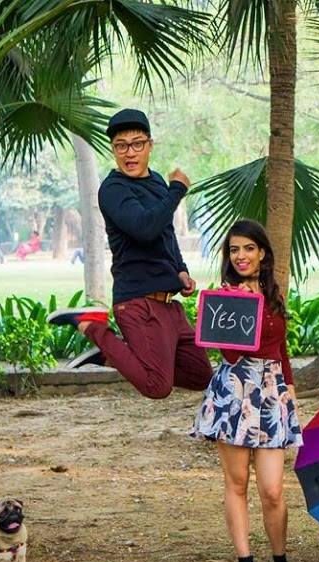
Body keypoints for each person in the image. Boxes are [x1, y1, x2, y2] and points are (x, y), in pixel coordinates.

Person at [47, 108, 213, 396]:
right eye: (121, 146)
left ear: (150, 145)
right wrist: (176, 190)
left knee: (200, 375)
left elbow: (165, 232)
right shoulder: (113, 189)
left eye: (137, 144)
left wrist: (181, 269)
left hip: (169, 305)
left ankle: (111, 355)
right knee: (157, 386)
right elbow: (144, 228)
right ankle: (91, 327)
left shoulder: (156, 181)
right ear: (113, 150)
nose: (130, 153)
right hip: (138, 303)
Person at [189, 219, 302, 562]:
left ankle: (280, 560)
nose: (241, 256)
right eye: (234, 249)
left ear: (262, 253)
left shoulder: (273, 292)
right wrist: (236, 305)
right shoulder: (224, 297)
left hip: (271, 394)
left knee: (272, 489)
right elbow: (231, 354)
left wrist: (289, 389)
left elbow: (281, 347)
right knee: (236, 484)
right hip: (234, 393)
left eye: (248, 248)